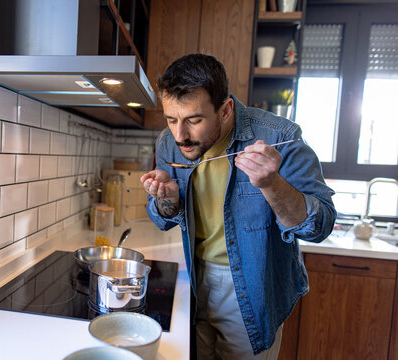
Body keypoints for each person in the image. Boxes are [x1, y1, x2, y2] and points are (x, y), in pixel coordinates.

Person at [141, 53, 336, 359]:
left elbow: (319, 226)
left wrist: (272, 184)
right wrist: (168, 201)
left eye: (194, 120)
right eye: (171, 119)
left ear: (225, 109)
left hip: (252, 283)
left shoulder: (280, 137)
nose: (181, 135)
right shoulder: (169, 142)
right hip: (193, 278)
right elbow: (164, 219)